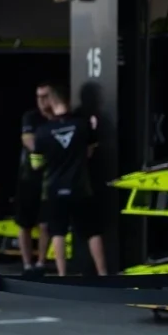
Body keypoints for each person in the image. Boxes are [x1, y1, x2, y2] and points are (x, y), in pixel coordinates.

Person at [31, 85, 108, 277]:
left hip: (55, 189)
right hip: (80, 187)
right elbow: (90, 152)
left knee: (58, 232)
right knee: (92, 231)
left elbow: (35, 164)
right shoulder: (82, 125)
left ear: (50, 100)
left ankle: (62, 275)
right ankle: (104, 274)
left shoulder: (43, 131)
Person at [15, 82, 54, 276]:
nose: (42, 101)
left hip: (50, 179)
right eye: (39, 96)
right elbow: (28, 140)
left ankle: (40, 263)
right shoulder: (31, 116)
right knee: (25, 223)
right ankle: (27, 264)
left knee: (46, 223)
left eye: (45, 96)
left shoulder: (58, 117)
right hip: (28, 177)